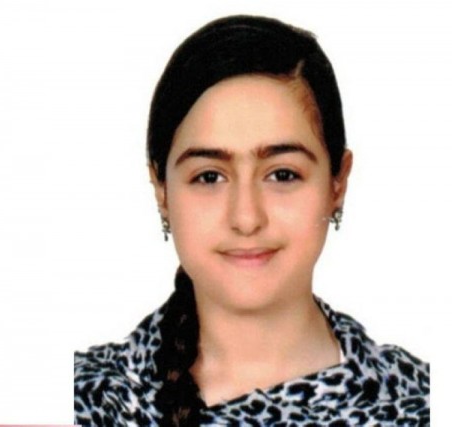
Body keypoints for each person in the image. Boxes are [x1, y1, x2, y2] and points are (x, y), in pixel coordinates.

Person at [74, 15, 430, 426]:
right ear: (162, 190)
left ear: (338, 182)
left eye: (283, 175)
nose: (246, 218)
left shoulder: (420, 404)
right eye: (209, 177)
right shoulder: (82, 399)